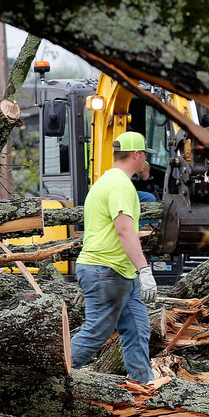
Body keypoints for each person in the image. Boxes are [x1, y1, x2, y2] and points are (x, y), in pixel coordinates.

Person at [70, 130, 156, 383]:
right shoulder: (120, 185)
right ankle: (48, 381)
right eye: (144, 156)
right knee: (96, 332)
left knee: (138, 331)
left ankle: (145, 390)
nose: (145, 161)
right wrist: (144, 269)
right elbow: (125, 229)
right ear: (137, 155)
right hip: (105, 270)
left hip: (119, 272)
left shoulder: (109, 180)